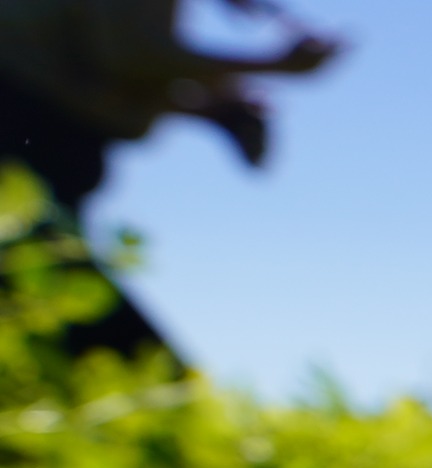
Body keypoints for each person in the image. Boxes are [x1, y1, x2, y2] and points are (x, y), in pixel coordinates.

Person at [0, 0, 339, 357]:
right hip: (26, 129)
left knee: (33, 268)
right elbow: (132, 56)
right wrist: (277, 64)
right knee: (38, 265)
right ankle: (142, 384)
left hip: (44, 136)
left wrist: (213, 110)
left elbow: (93, 70)